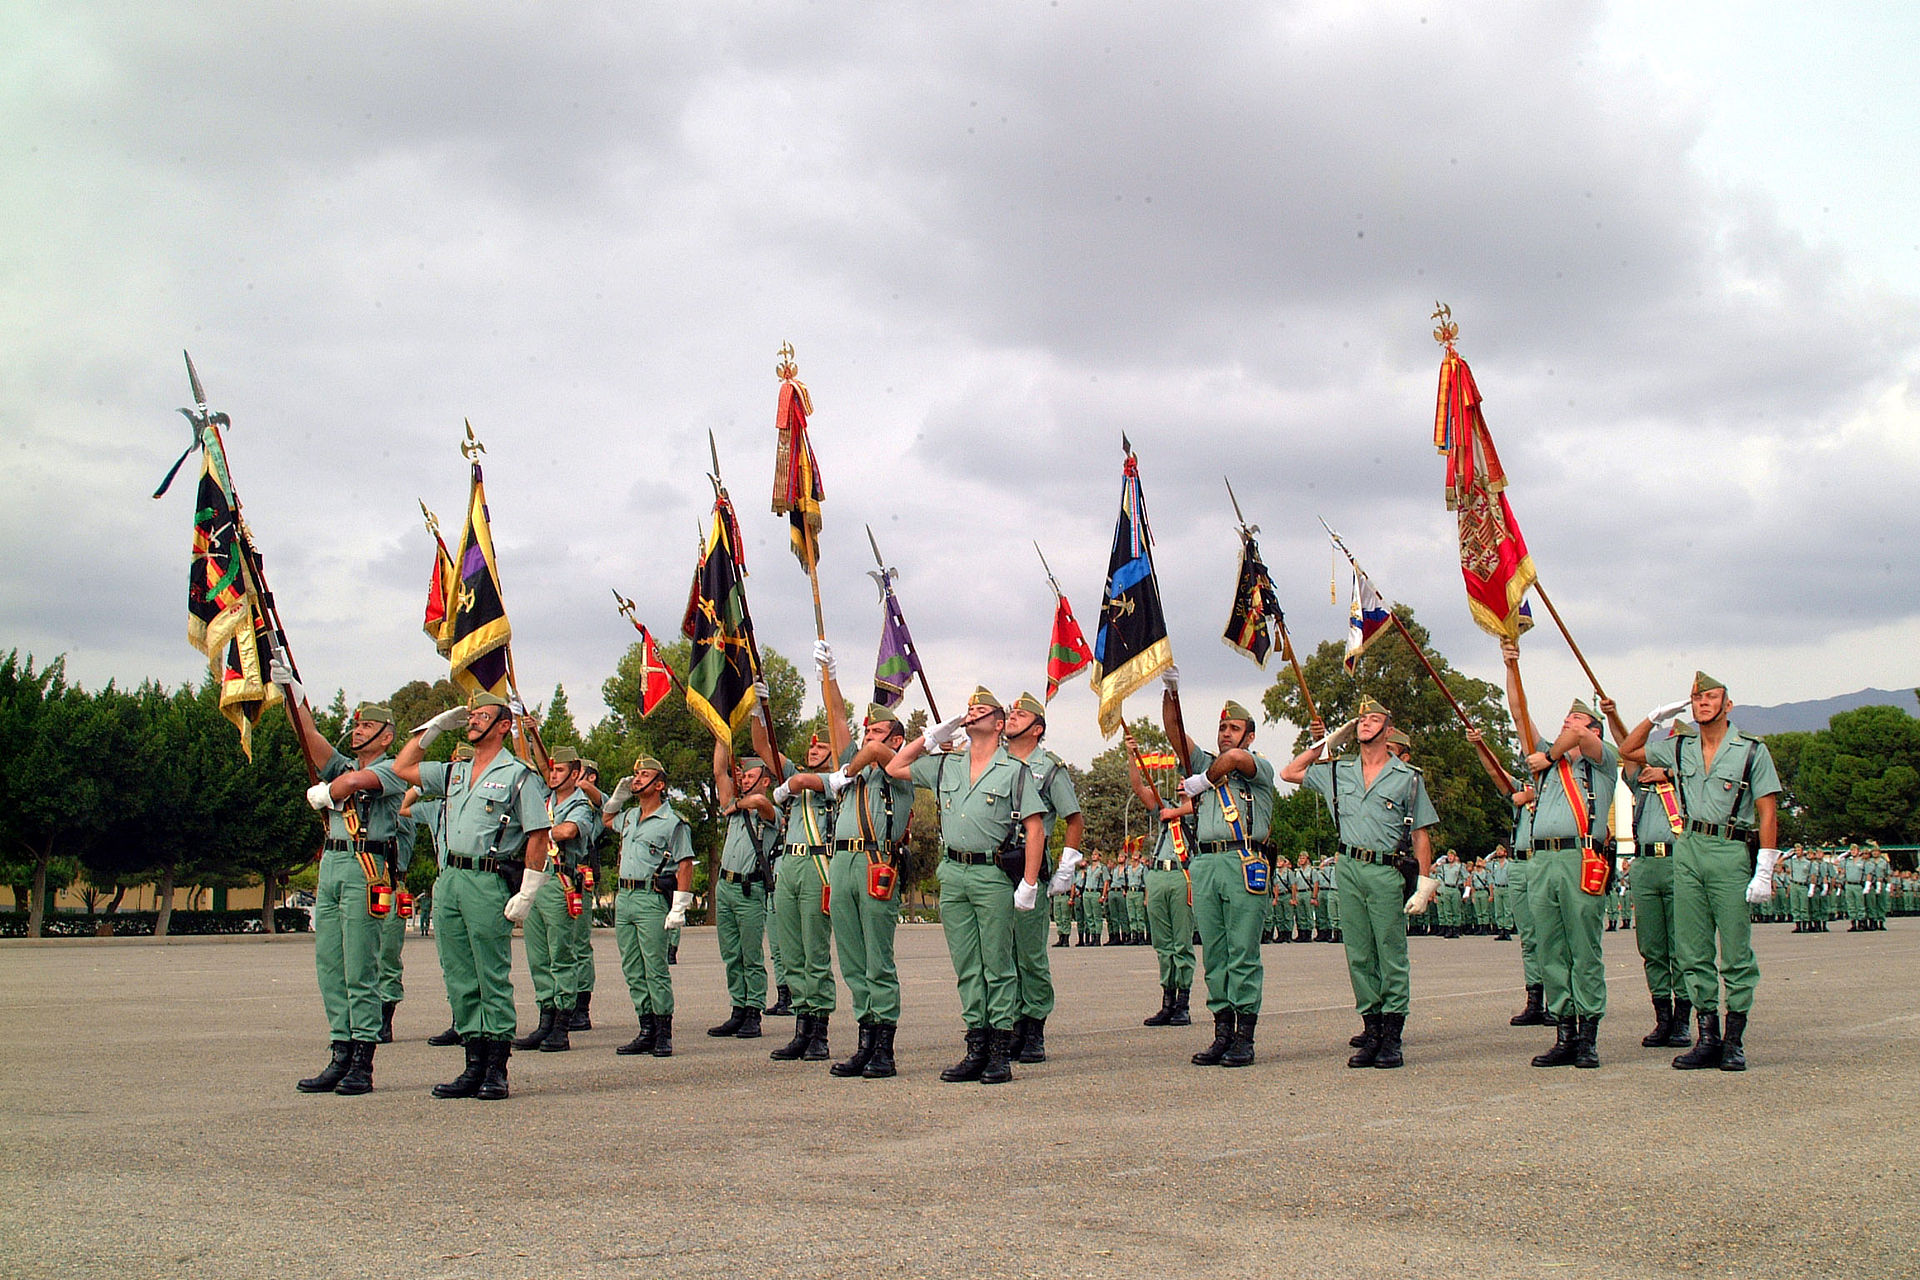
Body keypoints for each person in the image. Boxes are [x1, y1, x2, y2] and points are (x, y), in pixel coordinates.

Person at [394, 693, 554, 1101]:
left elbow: (538, 836)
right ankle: (472, 1064)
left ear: (504, 726)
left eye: (482, 716)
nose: (472, 721)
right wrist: (433, 729)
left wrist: (528, 892)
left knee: (490, 975)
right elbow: (402, 768)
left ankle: (496, 1069)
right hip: (449, 878)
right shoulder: (454, 772)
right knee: (459, 975)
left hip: (486, 880)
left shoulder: (519, 775)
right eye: (470, 716)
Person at [1619, 672, 1782, 1072]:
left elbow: (1767, 810)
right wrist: (1656, 716)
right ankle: (1707, 1036)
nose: (1702, 703)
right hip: (1688, 848)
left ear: (1727, 705)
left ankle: (1734, 1040)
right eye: (1696, 698)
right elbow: (1629, 749)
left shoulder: (1750, 751)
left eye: (1711, 697)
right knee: (1693, 949)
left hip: (1729, 848)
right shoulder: (1680, 748)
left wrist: (1766, 865)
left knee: (1736, 951)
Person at [886, 688, 1047, 1084]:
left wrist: (1028, 883)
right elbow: (894, 767)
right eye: (969, 709)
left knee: (998, 964)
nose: (971, 713)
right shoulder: (946, 766)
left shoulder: (1014, 770)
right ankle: (975, 1046)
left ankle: (998, 1052)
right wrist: (932, 737)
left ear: (997, 723)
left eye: (981, 710)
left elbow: (1035, 827)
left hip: (992, 874)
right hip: (953, 873)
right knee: (967, 966)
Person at [1281, 697, 1438, 1069]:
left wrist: (1425, 883)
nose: (1365, 722)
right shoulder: (1339, 770)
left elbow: (1421, 835)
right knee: (1359, 954)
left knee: (1390, 952)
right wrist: (1328, 742)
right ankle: (1372, 1030)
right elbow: (1290, 772)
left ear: (1388, 725)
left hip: (1385, 869)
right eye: (1361, 718)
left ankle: (1392, 1037)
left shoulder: (1407, 777)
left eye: (1373, 718)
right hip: (1348, 867)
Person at [277, 685, 406, 1098]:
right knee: (330, 965)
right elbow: (310, 738)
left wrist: (329, 791)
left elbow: (355, 782)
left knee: (359, 967)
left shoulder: (393, 768)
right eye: (355, 724)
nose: (356, 731)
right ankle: (340, 1050)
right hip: (331, 864)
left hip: (364, 867)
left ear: (386, 735)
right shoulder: (341, 764)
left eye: (366, 725)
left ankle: (362, 1061)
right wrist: (291, 693)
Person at [1499, 641, 1618, 1069]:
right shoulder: (1545, 762)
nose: (1568, 723)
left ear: (1593, 729)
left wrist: (1551, 752)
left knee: (1583, 949)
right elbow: (1518, 712)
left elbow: (1582, 737)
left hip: (1580, 859)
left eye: (1577, 718)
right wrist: (1512, 667)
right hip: (1541, 860)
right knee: (1550, 947)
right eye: (1566, 718)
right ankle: (1564, 1031)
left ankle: (1588, 1036)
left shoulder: (1600, 763)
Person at [1162, 671, 1277, 1069]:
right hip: (1206, 861)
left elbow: (1234, 761)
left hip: (1243, 860)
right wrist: (1170, 690)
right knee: (1214, 953)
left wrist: (1201, 783)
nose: (1225, 734)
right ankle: (1221, 1032)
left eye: (1234, 728)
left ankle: (1244, 1036)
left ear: (1249, 735)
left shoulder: (1257, 766)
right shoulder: (1204, 763)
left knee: (1242, 951)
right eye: (1222, 727)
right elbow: (1174, 731)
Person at [815, 705, 915, 1078]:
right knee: (853, 961)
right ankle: (865, 1041)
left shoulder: (899, 768)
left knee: (878, 959)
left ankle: (884, 1049)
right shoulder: (853, 769)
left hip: (876, 862)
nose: (868, 735)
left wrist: (845, 771)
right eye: (867, 729)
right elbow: (837, 719)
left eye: (878, 730)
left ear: (896, 739)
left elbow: (873, 754)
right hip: (841, 862)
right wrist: (831, 673)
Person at [1000, 692, 1084, 1062]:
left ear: (1037, 728)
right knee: (1000, 953)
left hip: (1028, 867)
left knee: (1030, 954)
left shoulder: (1049, 768)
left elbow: (1073, 817)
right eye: (1011, 712)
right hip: (992, 866)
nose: (1012, 716)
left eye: (1021, 714)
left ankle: (1033, 1027)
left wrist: (1067, 864)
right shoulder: (993, 761)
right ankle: (1010, 1024)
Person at [600, 754, 695, 1059]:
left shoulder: (674, 821)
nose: (637, 778)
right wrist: (616, 797)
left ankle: (663, 1032)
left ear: (660, 784)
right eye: (636, 774)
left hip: (650, 898)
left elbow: (684, 864)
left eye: (644, 775)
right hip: (625, 897)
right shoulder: (628, 817)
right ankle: (645, 1028)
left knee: (655, 967)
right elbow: (606, 820)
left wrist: (679, 905)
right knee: (632, 967)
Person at [1616, 722, 1695, 1050]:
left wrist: (1671, 776)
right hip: (1646, 864)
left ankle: (1682, 1020)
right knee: (1652, 947)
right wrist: (1613, 715)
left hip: (1680, 861)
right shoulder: (1645, 777)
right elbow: (1627, 749)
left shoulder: (1690, 781)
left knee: (1683, 947)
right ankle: (1663, 1018)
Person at [512, 746, 596, 1054]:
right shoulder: (544, 800)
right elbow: (526, 760)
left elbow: (569, 830)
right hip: (536, 881)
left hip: (561, 883)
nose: (552, 775)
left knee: (562, 955)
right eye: (551, 770)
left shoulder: (580, 804)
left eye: (559, 771)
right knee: (538, 957)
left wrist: (539, 831)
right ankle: (545, 1019)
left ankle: (562, 1023)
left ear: (574, 774)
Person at [707, 742, 778, 1040]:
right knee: (731, 953)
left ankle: (753, 1011)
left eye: (750, 777)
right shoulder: (732, 805)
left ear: (764, 779)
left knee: (750, 954)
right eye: (743, 777)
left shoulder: (768, 809)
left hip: (750, 889)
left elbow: (762, 804)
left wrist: (738, 802)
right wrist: (722, 735)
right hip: (725, 886)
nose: (744, 780)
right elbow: (718, 771)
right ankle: (737, 1007)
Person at [1126, 734, 1194, 1028]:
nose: (1180, 784)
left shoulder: (1200, 808)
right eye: (1179, 780)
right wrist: (1132, 757)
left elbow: (1195, 808)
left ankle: (1183, 1003)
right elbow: (1139, 788)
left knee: (1181, 942)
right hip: (1158, 875)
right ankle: (1167, 1000)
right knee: (1162, 942)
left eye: (1186, 781)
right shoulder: (1165, 806)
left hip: (1182, 875)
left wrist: (1176, 811)